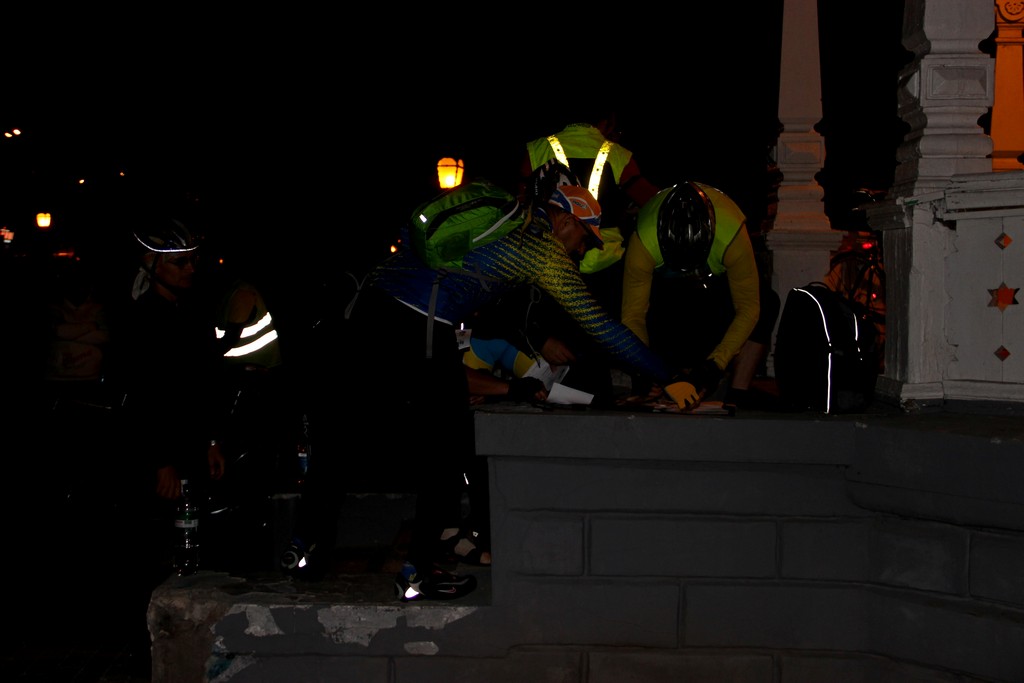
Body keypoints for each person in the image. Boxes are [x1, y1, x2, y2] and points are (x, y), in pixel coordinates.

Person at [281, 162, 698, 601]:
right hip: (423, 323)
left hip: (367, 308)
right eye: (584, 239)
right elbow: (601, 327)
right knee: (448, 446)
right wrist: (668, 376)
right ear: (564, 219)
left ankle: (304, 547)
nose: (581, 251)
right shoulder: (542, 250)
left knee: (342, 435)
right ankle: (418, 573)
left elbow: (492, 302)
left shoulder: (503, 215)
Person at [620, 181, 776, 409]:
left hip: (714, 286)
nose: (688, 272)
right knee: (651, 315)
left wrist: (715, 366)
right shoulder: (643, 242)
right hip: (666, 291)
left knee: (768, 301)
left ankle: (737, 394)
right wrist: (645, 368)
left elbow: (748, 307)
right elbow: (633, 315)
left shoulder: (732, 237)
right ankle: (660, 382)